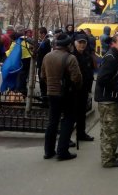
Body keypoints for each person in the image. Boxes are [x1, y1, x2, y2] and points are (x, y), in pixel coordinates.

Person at [41, 33, 82, 161]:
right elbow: (77, 78)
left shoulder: (47, 56)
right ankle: (62, 151)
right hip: (66, 94)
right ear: (69, 45)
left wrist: (51, 85)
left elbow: (42, 76)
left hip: (51, 93)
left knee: (52, 122)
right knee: (68, 120)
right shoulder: (70, 58)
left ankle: (48, 151)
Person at [94, 33, 118, 168]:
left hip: (109, 99)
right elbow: (102, 79)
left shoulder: (113, 56)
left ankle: (110, 153)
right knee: (110, 131)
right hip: (107, 100)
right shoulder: (111, 58)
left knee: (109, 130)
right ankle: (108, 159)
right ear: (113, 43)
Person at [72, 33, 95, 141]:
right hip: (74, 90)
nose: (82, 45)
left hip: (84, 89)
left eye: (84, 43)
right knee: (71, 115)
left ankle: (81, 133)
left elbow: (90, 71)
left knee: (82, 113)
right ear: (75, 43)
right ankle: (67, 138)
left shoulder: (86, 55)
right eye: (80, 42)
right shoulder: (72, 56)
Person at [36, 27, 52, 100]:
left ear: (43, 34)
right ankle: (44, 97)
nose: (38, 35)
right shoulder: (43, 41)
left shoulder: (46, 41)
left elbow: (40, 46)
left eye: (39, 33)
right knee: (42, 81)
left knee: (43, 82)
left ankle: (44, 98)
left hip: (44, 65)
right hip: (41, 64)